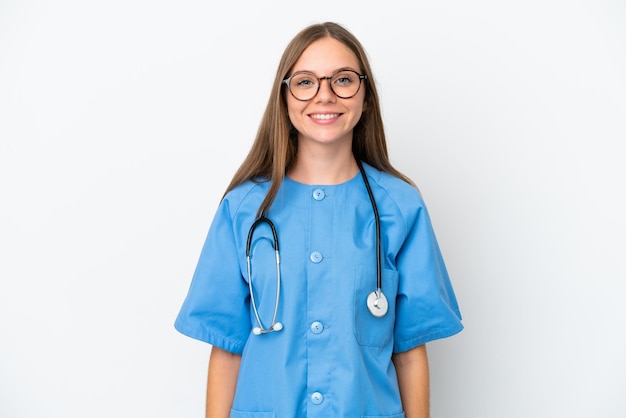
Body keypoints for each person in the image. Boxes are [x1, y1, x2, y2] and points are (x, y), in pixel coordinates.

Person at [175, 21, 463, 418]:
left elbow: (410, 350)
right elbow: (226, 348)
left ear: (366, 95)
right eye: (306, 82)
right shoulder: (243, 208)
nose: (324, 96)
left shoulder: (400, 207)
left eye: (343, 80)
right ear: (285, 96)